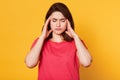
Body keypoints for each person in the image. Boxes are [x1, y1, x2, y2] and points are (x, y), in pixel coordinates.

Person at [25, 2, 92, 80]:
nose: (58, 24)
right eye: (54, 20)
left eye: (62, 20)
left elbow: (86, 63)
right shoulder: (40, 42)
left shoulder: (76, 42)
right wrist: (42, 37)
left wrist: (75, 36)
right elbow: (30, 64)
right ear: (48, 22)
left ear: (68, 22)